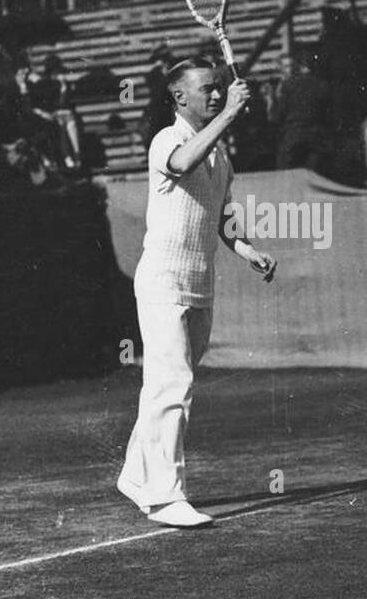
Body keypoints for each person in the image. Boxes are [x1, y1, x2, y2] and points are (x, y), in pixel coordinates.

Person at [117, 58, 276, 528]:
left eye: (219, 89)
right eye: (207, 89)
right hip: (163, 282)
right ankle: (167, 498)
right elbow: (182, 164)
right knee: (173, 384)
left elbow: (222, 214)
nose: (215, 94)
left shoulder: (221, 155)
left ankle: (134, 474)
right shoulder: (168, 140)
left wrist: (247, 250)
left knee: (167, 385)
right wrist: (229, 113)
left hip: (199, 284)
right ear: (179, 97)